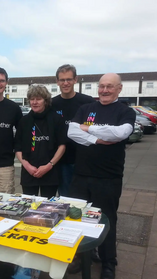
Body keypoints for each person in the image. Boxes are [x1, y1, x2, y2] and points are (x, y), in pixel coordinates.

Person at [67, 73, 136, 279]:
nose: (104, 90)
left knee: (106, 221)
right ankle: (79, 257)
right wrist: (98, 139)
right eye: (101, 86)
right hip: (81, 174)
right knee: (75, 217)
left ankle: (108, 262)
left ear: (119, 89)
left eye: (109, 87)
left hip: (108, 177)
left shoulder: (125, 111)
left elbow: (121, 133)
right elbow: (71, 131)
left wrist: (88, 129)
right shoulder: (86, 108)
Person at [15, 85, 66, 198]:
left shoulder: (56, 119)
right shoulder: (24, 121)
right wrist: (26, 165)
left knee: (47, 209)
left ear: (45, 100)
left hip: (50, 172)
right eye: (32, 99)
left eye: (38, 99)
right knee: (28, 206)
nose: (34, 102)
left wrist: (49, 165)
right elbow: (18, 148)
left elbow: (62, 146)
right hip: (29, 172)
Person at [51, 64, 94, 196]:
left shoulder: (88, 103)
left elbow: (94, 129)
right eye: (62, 80)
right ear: (57, 81)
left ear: (76, 79)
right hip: (62, 161)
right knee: (65, 198)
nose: (65, 83)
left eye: (69, 79)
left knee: (86, 199)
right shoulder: (52, 104)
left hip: (85, 159)